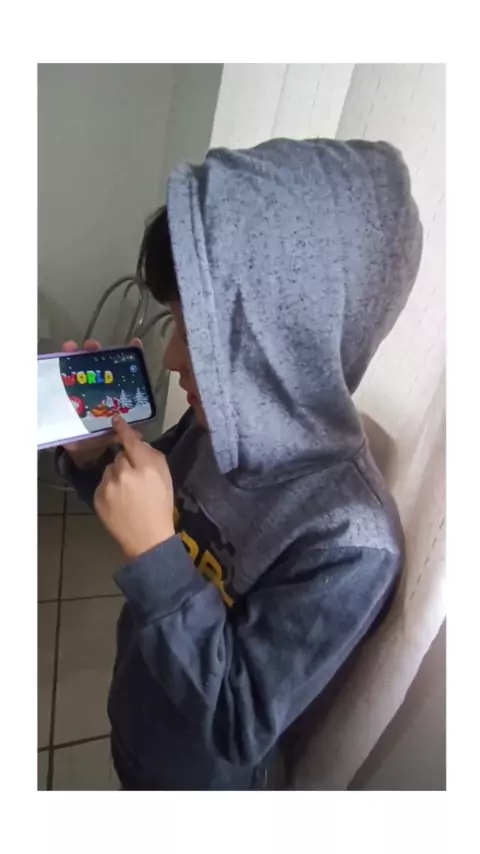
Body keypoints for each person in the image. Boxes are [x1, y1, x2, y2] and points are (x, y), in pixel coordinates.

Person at [57, 138, 423, 790]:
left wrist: (156, 555)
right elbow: (141, 507)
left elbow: (239, 720)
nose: (172, 360)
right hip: (137, 713)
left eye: (193, 336)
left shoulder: (352, 543)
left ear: (286, 343)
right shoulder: (217, 429)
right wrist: (92, 460)